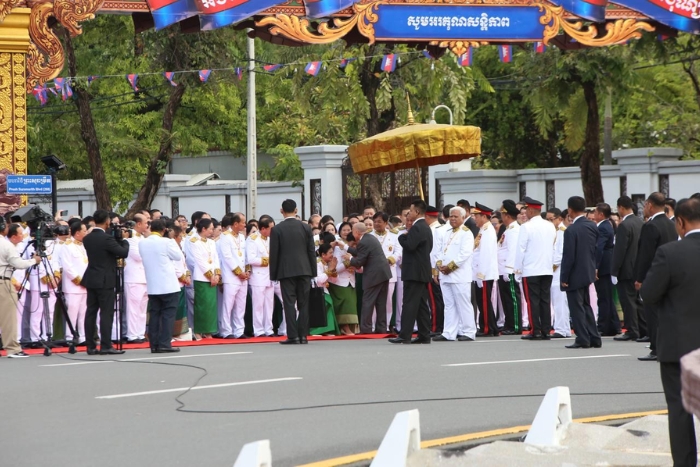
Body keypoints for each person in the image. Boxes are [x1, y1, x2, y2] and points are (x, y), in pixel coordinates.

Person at [640, 197, 700, 467]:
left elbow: (649, 294)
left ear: (680, 222)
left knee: (680, 410)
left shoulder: (670, 253)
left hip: (679, 344)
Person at [634, 192, 678, 361]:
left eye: (645, 205)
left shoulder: (650, 226)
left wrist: (639, 278)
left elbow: (645, 255)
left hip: (653, 275)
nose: (644, 208)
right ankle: (666, 346)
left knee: (651, 313)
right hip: (670, 273)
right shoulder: (670, 223)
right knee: (665, 313)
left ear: (650, 205)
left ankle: (655, 348)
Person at [81, 210, 130, 355]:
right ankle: (106, 345)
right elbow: (123, 252)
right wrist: (125, 240)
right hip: (105, 279)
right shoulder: (106, 239)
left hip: (91, 277)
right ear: (107, 221)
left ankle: (90, 346)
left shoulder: (87, 238)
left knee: (91, 312)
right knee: (106, 313)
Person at [270, 199, 317, 345]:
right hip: (305, 270)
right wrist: (313, 272)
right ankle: (303, 335)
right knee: (304, 303)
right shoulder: (305, 228)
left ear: (281, 211)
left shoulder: (277, 229)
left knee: (289, 303)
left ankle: (293, 336)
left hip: (286, 271)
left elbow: (274, 253)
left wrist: (274, 275)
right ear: (296, 210)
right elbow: (311, 251)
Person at [560, 196, 601, 349]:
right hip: (588, 270)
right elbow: (595, 250)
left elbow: (569, 256)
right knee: (586, 305)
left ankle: (583, 338)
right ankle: (594, 336)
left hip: (575, 273)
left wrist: (564, 276)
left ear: (570, 210)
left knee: (576, 307)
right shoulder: (592, 226)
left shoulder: (571, 230)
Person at [390, 200, 433, 344]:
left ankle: (405, 335)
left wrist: (402, 236)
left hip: (414, 272)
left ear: (418, 212)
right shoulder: (425, 227)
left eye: (411, 210)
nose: (409, 213)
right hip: (421, 271)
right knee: (421, 305)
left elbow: (410, 245)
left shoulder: (417, 227)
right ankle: (424, 335)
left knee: (408, 303)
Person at [515, 197, 556, 340]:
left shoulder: (526, 227)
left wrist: (517, 270)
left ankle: (535, 330)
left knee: (533, 301)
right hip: (546, 268)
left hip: (531, 269)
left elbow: (520, 250)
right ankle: (546, 330)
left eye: (526, 210)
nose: (525, 213)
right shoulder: (550, 225)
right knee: (545, 300)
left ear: (531, 210)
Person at [139, 219, 182, 353]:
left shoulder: (142, 242)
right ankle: (164, 343)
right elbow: (178, 256)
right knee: (168, 315)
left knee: (155, 315)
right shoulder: (167, 242)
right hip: (168, 284)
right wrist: (170, 239)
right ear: (164, 230)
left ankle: (154, 344)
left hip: (153, 285)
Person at [432, 206, 475, 342]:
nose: (453, 218)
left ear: (463, 218)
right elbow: (439, 251)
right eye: (451, 216)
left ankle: (469, 331)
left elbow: (465, 254)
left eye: (456, 216)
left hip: (459, 275)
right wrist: (438, 266)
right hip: (445, 274)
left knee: (463, 303)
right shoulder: (446, 232)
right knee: (449, 304)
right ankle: (449, 332)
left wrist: (450, 266)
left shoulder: (466, 233)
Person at [0, 223, 41, 357]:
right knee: (8, 317)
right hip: (3, 281)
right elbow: (18, 264)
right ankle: (12, 348)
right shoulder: (6, 245)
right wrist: (34, 261)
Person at [343, 223, 392, 334]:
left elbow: (359, 262)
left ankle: (366, 329)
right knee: (380, 303)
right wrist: (345, 247)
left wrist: (349, 258)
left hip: (374, 275)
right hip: (383, 274)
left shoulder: (363, 242)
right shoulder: (370, 238)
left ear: (356, 232)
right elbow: (362, 253)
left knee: (367, 302)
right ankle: (381, 328)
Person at [612, 196, 645, 342]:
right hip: (637, 267)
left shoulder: (624, 225)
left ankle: (632, 330)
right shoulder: (640, 222)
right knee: (637, 300)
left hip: (626, 269)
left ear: (621, 207)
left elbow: (619, 251)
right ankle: (643, 328)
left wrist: (614, 271)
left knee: (628, 301)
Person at [217, 213, 249, 339]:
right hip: (231, 276)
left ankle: (239, 331)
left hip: (243, 276)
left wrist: (247, 271)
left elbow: (245, 256)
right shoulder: (225, 237)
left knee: (241, 305)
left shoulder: (241, 236)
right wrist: (238, 272)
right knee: (228, 305)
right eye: (243, 222)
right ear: (235, 224)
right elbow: (227, 257)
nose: (244, 224)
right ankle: (226, 331)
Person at [369, 212, 402, 332]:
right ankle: (372, 326)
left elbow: (398, 251)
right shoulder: (369, 235)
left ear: (386, 222)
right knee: (372, 300)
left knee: (387, 300)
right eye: (375, 221)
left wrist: (392, 259)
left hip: (389, 272)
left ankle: (386, 325)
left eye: (379, 221)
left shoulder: (394, 235)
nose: (376, 224)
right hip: (373, 273)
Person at [190, 218, 221, 339]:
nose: (212, 231)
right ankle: (198, 331)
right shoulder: (194, 242)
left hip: (213, 277)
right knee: (201, 306)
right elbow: (200, 261)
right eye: (211, 229)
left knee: (211, 306)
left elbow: (216, 259)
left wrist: (217, 274)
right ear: (203, 229)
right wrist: (210, 276)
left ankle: (209, 331)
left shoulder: (211, 242)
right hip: (202, 278)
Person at [472, 203, 499, 337]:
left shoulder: (488, 231)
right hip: (480, 272)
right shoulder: (483, 229)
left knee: (484, 301)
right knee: (483, 301)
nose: (474, 219)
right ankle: (490, 326)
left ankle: (487, 328)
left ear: (483, 216)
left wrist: (480, 274)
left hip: (484, 273)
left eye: (476, 216)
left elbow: (485, 254)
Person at [593, 203, 620, 337]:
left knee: (604, 297)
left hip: (604, 266)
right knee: (607, 297)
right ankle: (613, 325)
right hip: (607, 265)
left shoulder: (603, 227)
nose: (594, 215)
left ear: (601, 214)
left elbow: (599, 248)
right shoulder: (606, 225)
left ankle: (604, 325)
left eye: (596, 212)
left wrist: (596, 266)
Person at [61, 221, 89, 344]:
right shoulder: (67, 246)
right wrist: (79, 280)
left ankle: (83, 337)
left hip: (85, 285)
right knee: (72, 312)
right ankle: (70, 336)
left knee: (84, 312)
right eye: (84, 230)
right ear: (77, 233)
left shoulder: (83, 245)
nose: (86, 233)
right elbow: (67, 267)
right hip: (73, 286)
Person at [247, 218, 276, 337]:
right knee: (258, 305)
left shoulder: (270, 239)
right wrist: (268, 260)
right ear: (263, 228)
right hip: (258, 276)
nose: (272, 230)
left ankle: (268, 329)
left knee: (269, 304)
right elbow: (251, 259)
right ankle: (258, 330)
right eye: (271, 228)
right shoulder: (252, 239)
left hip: (269, 275)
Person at [124, 213, 150, 344]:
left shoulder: (143, 238)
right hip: (134, 277)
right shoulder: (131, 237)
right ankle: (132, 335)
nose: (147, 225)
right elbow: (137, 256)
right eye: (146, 222)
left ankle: (140, 333)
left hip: (144, 277)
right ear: (138, 224)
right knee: (133, 308)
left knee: (142, 309)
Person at [498, 200, 522, 335]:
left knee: (513, 299)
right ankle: (509, 323)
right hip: (502, 269)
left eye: (502, 214)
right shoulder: (508, 230)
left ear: (507, 215)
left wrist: (508, 269)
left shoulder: (514, 230)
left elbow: (513, 251)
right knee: (506, 299)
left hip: (509, 270)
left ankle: (516, 325)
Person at [546, 208, 570, 338]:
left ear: (559, 219)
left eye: (551, 219)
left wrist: (551, 266)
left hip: (558, 269)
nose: (549, 222)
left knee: (559, 300)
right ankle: (564, 328)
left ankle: (561, 328)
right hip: (553, 269)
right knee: (558, 301)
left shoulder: (562, 232)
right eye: (547, 219)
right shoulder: (552, 231)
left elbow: (560, 253)